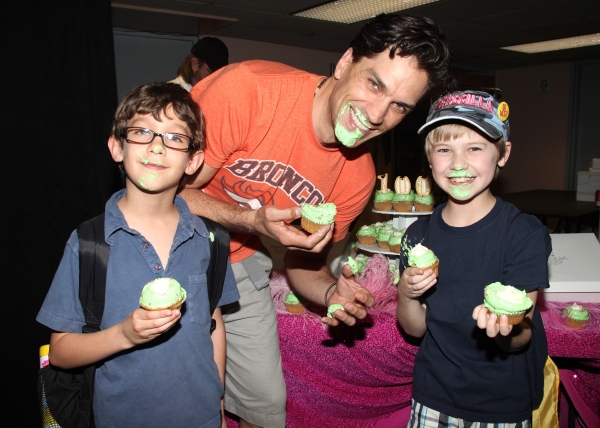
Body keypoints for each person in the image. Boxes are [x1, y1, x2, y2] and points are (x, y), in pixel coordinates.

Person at [180, 13, 454, 428]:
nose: (377, 114)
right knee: (174, 394)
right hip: (164, 248)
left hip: (235, 263)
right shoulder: (248, 91)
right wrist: (250, 219)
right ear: (345, 63)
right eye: (374, 83)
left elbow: (302, 260)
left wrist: (331, 293)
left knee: (267, 408)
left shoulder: (356, 178)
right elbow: (168, 193)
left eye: (399, 106)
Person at [36, 82, 239, 427]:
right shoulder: (89, 243)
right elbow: (61, 352)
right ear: (117, 148)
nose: (158, 147)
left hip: (200, 417)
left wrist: (217, 398)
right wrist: (125, 334)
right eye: (143, 132)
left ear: (194, 161)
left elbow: (213, 324)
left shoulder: (210, 238)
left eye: (175, 137)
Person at [396, 90, 551, 427]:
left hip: (500, 405)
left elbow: (521, 337)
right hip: (431, 396)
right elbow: (415, 328)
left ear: (503, 153)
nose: (458, 163)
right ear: (429, 158)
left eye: (475, 148)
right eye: (444, 150)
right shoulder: (416, 237)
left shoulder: (522, 234)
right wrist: (406, 294)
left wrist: (506, 326)